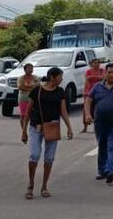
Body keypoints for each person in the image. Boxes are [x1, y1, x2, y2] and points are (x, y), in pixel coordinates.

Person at [21, 67, 74, 199]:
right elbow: (28, 112)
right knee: (34, 155)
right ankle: (31, 184)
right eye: (60, 77)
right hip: (36, 126)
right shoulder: (37, 90)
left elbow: (63, 111)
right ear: (52, 77)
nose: (61, 80)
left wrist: (69, 127)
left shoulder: (60, 91)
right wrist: (24, 131)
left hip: (53, 127)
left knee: (49, 158)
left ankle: (44, 186)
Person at [81, 58, 104, 133]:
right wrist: (84, 92)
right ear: (91, 64)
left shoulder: (102, 70)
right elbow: (87, 80)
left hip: (99, 92)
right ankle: (85, 127)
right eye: (95, 63)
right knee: (86, 110)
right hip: (89, 92)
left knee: (98, 109)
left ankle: (99, 126)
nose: (96, 64)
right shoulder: (88, 71)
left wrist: (92, 77)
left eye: (98, 63)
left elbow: (102, 78)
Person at [17, 63, 39, 132]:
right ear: (25, 69)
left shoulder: (35, 77)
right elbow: (20, 87)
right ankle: (24, 130)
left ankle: (36, 130)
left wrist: (27, 87)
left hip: (34, 99)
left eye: (32, 68)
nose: (31, 70)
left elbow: (38, 85)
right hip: (24, 98)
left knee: (35, 114)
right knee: (23, 115)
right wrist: (31, 88)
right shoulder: (21, 78)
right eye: (29, 68)